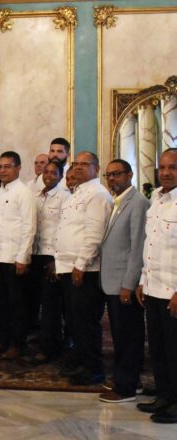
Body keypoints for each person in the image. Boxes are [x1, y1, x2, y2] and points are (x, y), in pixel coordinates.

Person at [54, 151, 112, 386]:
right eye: (75, 164)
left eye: (83, 164)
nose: (77, 168)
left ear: (95, 169)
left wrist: (80, 264)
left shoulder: (97, 194)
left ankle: (94, 368)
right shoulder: (76, 193)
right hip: (69, 266)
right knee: (75, 321)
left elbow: (94, 234)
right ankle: (80, 361)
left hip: (85, 270)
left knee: (86, 321)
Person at [98, 159, 148, 403]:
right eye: (108, 175)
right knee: (121, 334)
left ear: (130, 174)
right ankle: (129, 379)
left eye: (117, 174)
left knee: (128, 335)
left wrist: (129, 283)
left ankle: (126, 386)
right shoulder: (117, 202)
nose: (112, 179)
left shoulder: (138, 203)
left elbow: (138, 247)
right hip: (113, 280)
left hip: (124, 283)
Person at [136, 148, 177, 423]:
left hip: (173, 291)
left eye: (172, 167)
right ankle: (164, 395)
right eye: (162, 167)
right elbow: (149, 243)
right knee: (159, 347)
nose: (165, 172)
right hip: (153, 287)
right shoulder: (156, 199)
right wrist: (142, 280)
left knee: (175, 349)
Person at [0, 151, 36, 360]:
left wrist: (23, 257)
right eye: (0, 167)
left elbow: (28, 227)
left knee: (16, 304)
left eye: (7, 167)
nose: (2, 171)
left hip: (14, 259)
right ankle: (2, 340)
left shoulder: (24, 193)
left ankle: (17, 343)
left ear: (18, 168)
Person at [25, 160, 70, 366]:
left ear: (61, 176)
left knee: (51, 305)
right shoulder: (35, 195)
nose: (49, 175)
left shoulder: (65, 197)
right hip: (35, 253)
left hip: (52, 257)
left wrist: (57, 259)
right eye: (46, 172)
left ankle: (49, 348)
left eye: (54, 172)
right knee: (37, 301)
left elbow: (64, 229)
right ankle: (44, 338)